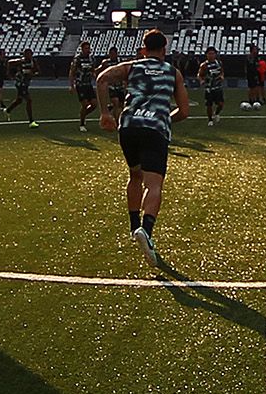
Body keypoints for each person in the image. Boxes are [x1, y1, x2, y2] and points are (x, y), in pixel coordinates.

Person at [96, 30, 190, 268]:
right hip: (154, 129)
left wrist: (106, 113)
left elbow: (102, 79)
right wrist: (166, 117)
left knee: (135, 175)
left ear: (144, 49)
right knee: (154, 184)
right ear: (164, 49)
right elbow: (184, 111)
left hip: (128, 126)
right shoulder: (173, 72)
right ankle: (146, 230)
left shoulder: (132, 67)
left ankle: (132, 225)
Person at [3, 47, 39, 127]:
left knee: (19, 100)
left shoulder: (33, 62)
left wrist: (32, 74)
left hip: (26, 83)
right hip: (20, 83)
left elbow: (37, 71)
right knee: (29, 100)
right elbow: (9, 62)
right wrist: (9, 74)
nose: (28, 56)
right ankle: (31, 121)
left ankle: (8, 110)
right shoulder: (21, 61)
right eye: (26, 54)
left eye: (29, 54)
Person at [70, 40, 100, 132]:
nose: (88, 50)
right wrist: (72, 85)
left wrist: (95, 76)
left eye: (88, 48)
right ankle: (82, 124)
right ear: (82, 49)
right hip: (80, 84)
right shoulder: (78, 59)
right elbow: (72, 72)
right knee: (85, 104)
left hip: (88, 84)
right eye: (86, 48)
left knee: (94, 104)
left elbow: (93, 70)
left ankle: (83, 115)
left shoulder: (91, 58)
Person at [197, 46, 226, 125]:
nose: (211, 55)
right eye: (209, 54)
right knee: (209, 105)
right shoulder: (204, 65)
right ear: (206, 55)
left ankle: (216, 113)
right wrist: (201, 81)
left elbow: (222, 71)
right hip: (209, 88)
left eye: (213, 53)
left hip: (218, 87)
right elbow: (199, 75)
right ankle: (210, 120)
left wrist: (222, 76)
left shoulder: (219, 63)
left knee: (221, 104)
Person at [244, 42, 266, 110]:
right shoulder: (250, 57)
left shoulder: (256, 57)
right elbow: (251, 67)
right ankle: (251, 100)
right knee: (251, 87)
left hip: (255, 74)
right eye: (255, 50)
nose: (257, 51)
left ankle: (257, 99)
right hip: (251, 74)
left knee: (256, 86)